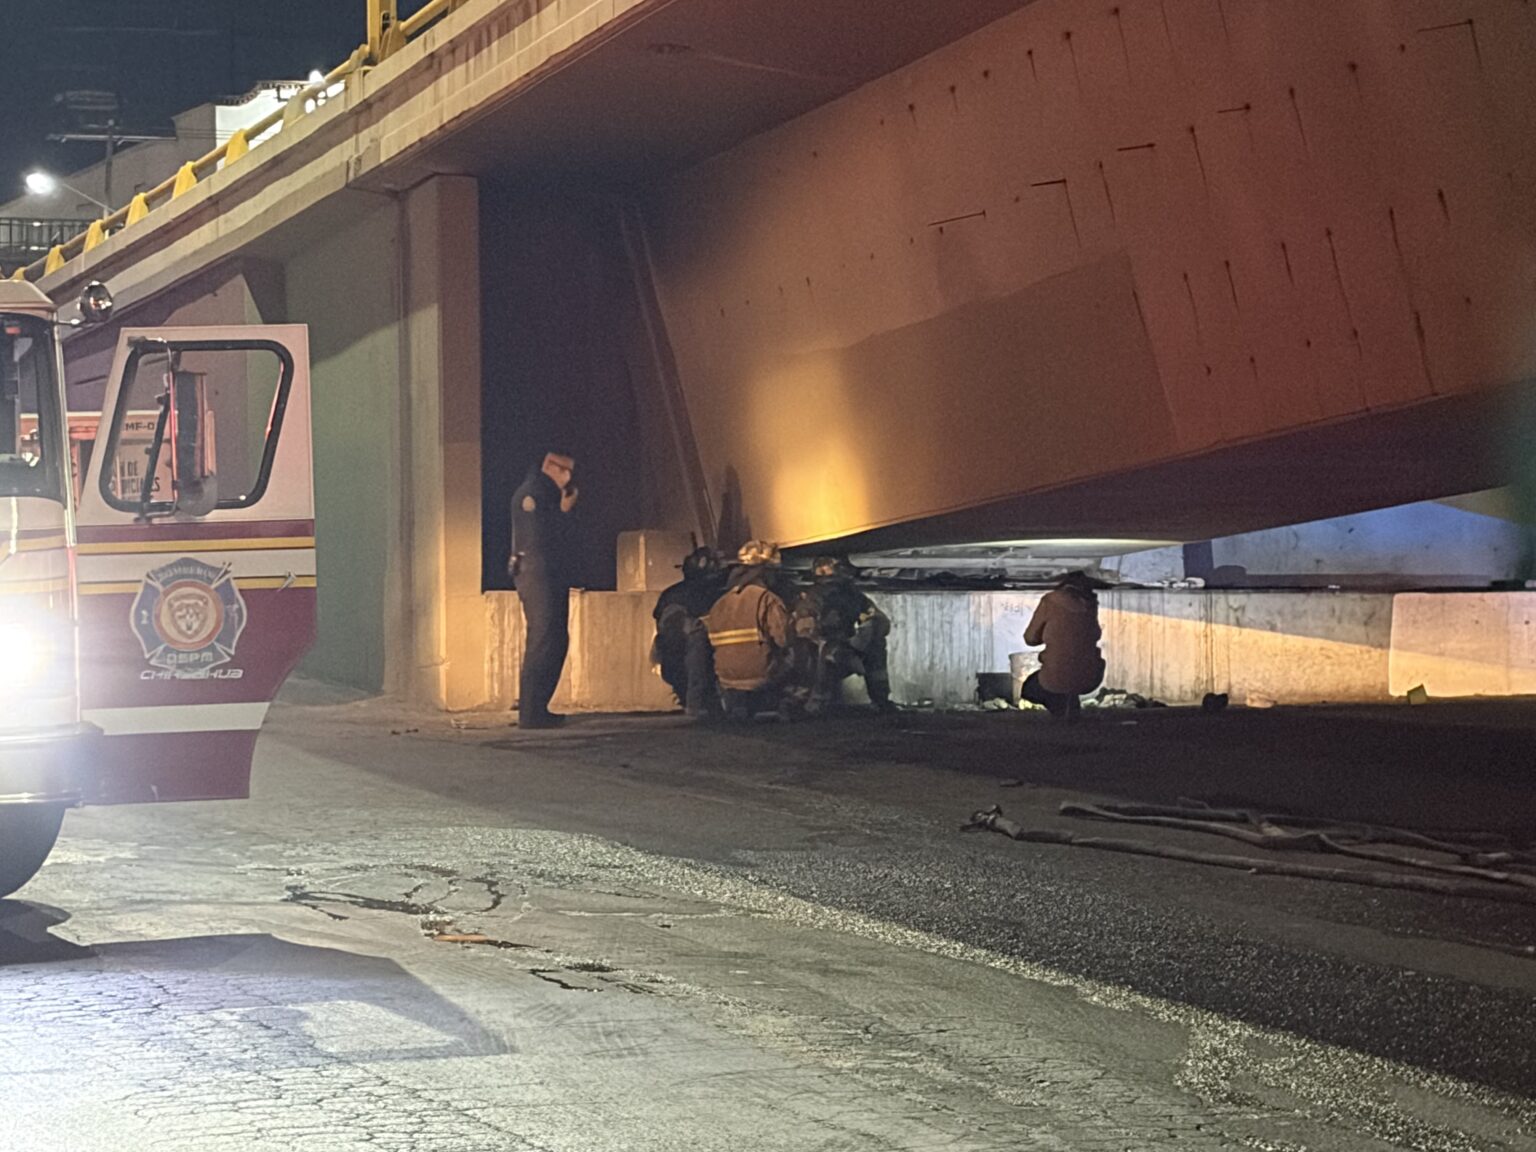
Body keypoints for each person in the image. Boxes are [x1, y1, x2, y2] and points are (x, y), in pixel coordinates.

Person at [508, 452, 579, 729]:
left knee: (553, 638)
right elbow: (543, 537)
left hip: (544, 573)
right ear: (551, 468)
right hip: (539, 574)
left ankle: (537, 708)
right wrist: (564, 511)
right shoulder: (534, 495)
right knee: (543, 639)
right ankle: (532, 712)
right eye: (566, 471)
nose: (569, 478)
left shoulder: (540, 492)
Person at [703, 540, 798, 719]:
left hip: (727, 678)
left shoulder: (720, 603)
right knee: (800, 648)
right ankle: (794, 700)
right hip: (762, 674)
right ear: (765, 571)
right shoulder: (767, 599)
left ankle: (739, 704)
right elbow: (784, 639)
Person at [791, 556, 894, 714]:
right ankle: (811, 702)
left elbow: (879, 621)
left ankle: (880, 700)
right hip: (825, 655)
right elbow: (805, 632)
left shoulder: (851, 596)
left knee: (875, 645)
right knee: (811, 648)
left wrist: (858, 642)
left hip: (842, 652)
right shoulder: (813, 599)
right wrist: (834, 644)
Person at [1020, 570, 1106, 721]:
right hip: (1090, 678)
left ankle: (1059, 708)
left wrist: (1049, 636)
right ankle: (1070, 706)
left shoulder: (1050, 601)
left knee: (1030, 688)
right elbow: (1092, 635)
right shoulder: (1091, 604)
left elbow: (1030, 638)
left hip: (1055, 677)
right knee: (1073, 671)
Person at [651, 546, 726, 717]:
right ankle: (696, 705)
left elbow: (658, 619)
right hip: (694, 665)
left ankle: (692, 703)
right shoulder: (708, 593)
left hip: (670, 663)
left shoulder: (669, 594)